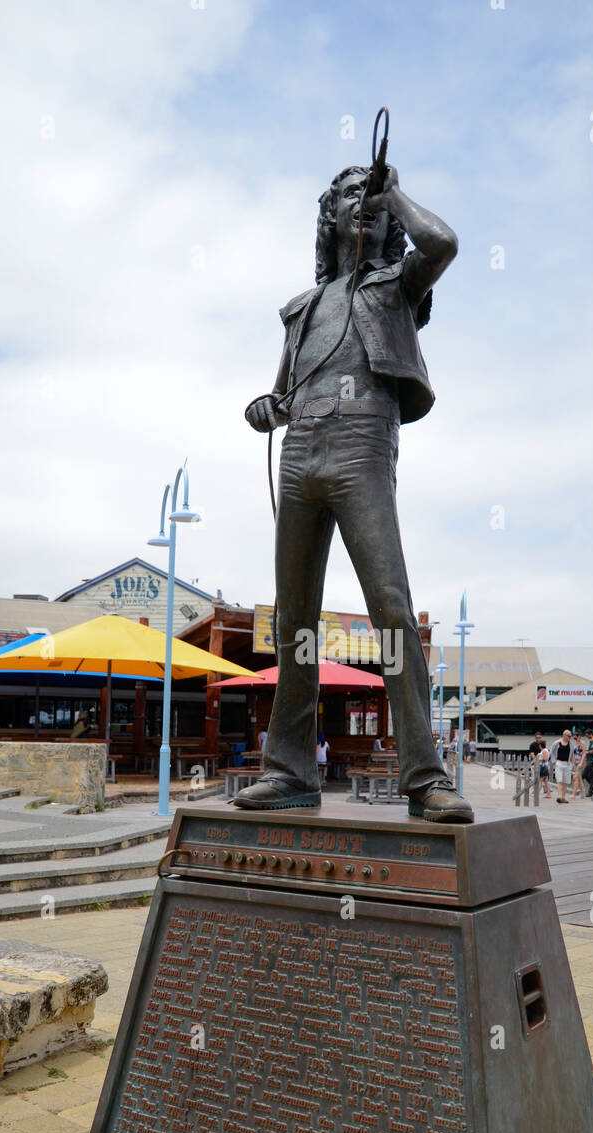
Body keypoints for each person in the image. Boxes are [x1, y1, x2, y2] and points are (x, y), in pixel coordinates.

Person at [236, 159, 471, 824]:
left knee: (392, 611)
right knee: (292, 622)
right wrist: (267, 408)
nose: (360, 206)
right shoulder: (302, 307)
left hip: (363, 441)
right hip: (299, 451)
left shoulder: (398, 283)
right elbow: (283, 393)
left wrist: (392, 192)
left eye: (371, 200)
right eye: (349, 197)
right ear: (329, 215)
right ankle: (288, 772)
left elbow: (443, 243)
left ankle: (424, 777)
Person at [549, 729, 573, 803]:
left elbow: (572, 754)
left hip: (567, 764)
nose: (570, 737)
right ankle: (559, 796)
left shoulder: (571, 744)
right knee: (559, 780)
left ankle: (563, 797)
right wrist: (553, 761)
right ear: (564, 735)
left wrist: (572, 763)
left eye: (570, 736)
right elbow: (551, 751)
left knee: (566, 781)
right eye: (568, 736)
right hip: (559, 762)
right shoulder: (557, 743)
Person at [570, 730, 585, 798]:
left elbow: (584, 753)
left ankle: (574, 794)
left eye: (576, 737)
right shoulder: (575, 744)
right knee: (579, 778)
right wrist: (572, 763)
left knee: (575, 777)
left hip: (580, 761)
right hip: (575, 761)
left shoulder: (583, 743)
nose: (575, 738)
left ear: (579, 736)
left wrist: (581, 762)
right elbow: (574, 754)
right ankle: (583, 793)